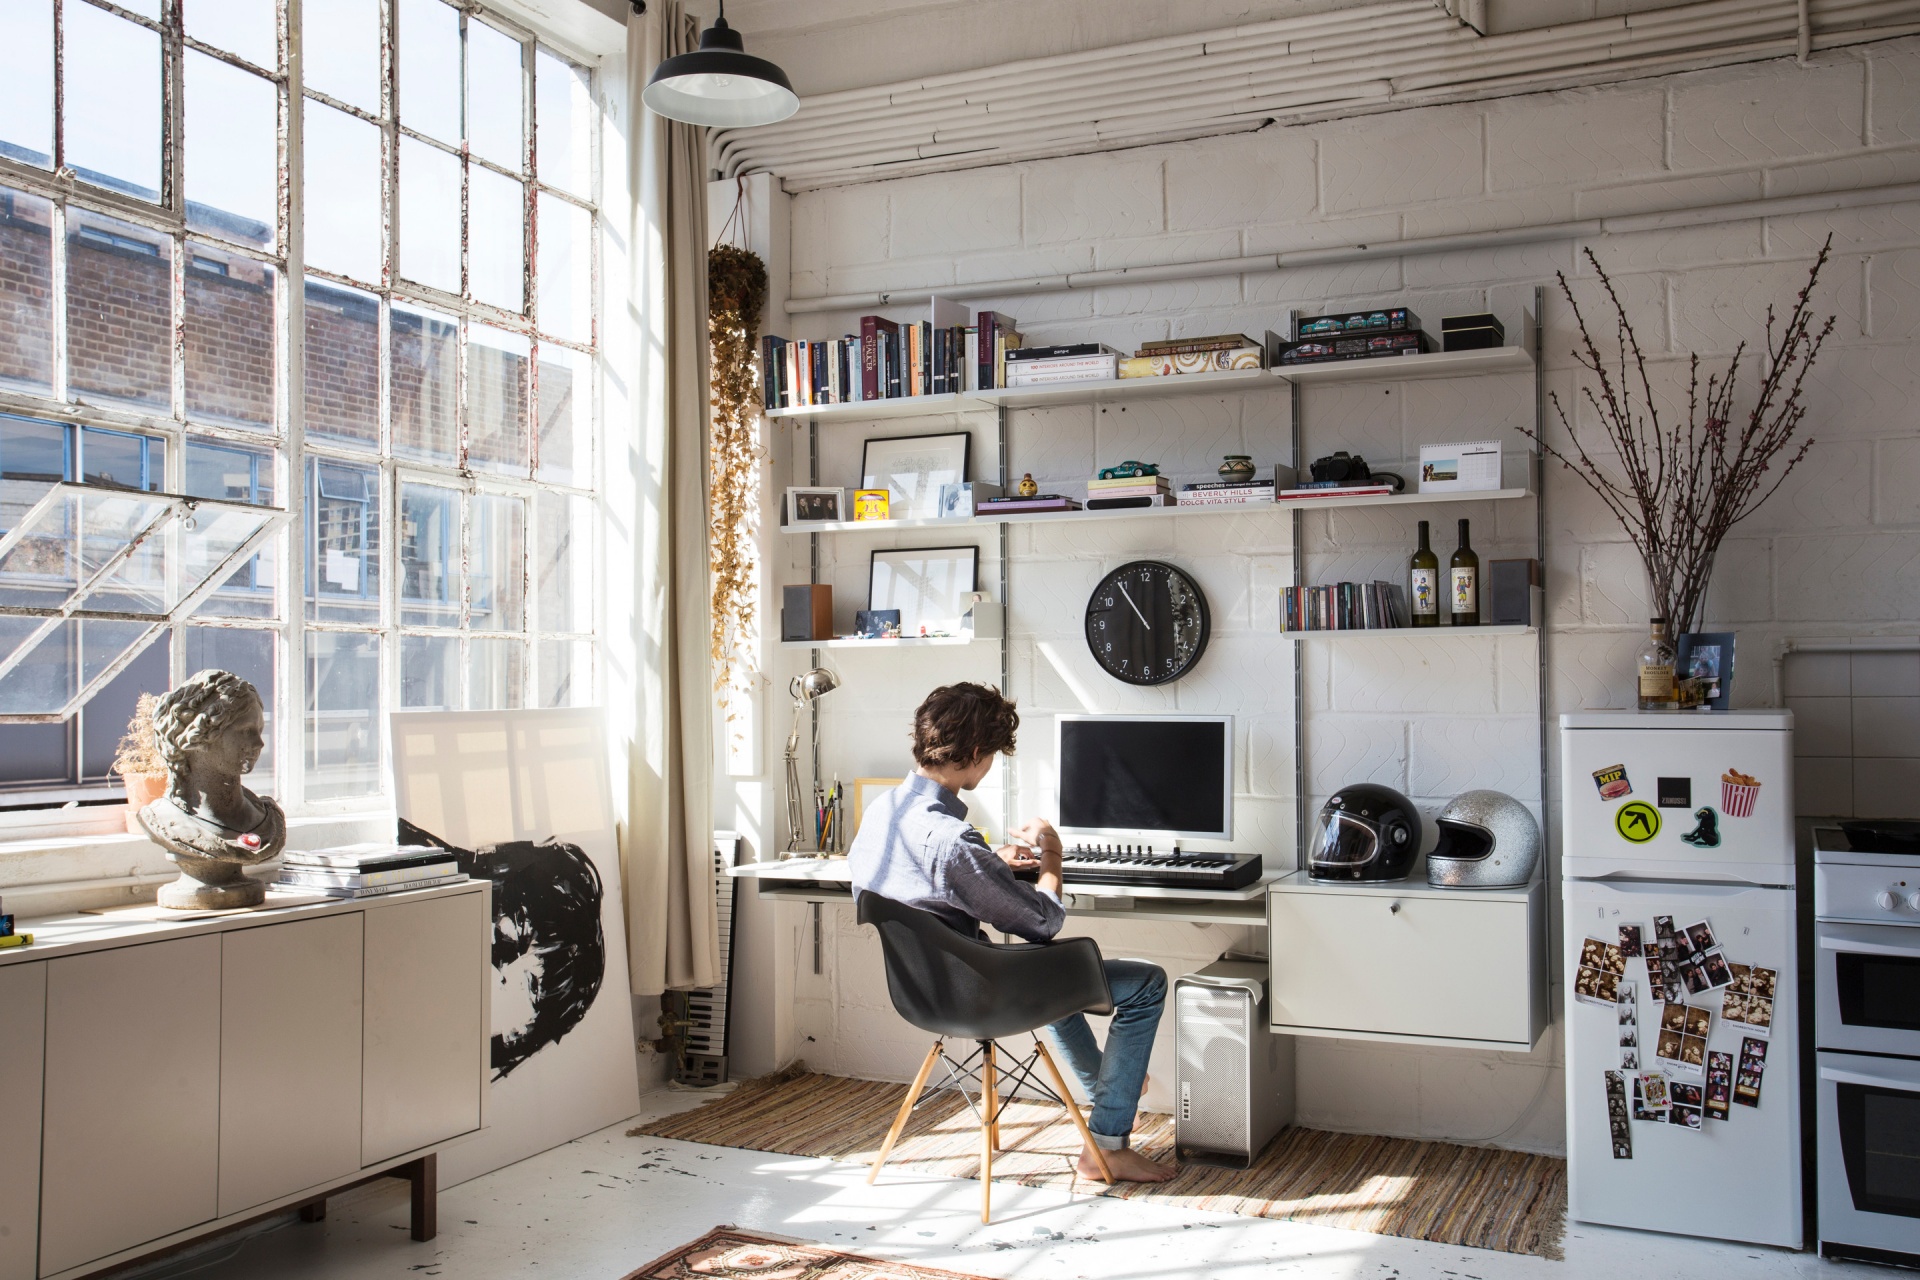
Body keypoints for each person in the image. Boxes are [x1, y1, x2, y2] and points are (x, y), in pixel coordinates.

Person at [848, 681, 1176, 1184]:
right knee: (1144, 982)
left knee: (1049, 973)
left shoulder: (882, 813)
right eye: (994, 756)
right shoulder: (952, 840)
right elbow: (1044, 921)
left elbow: (921, 887)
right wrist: (1051, 853)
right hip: (981, 998)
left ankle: (1115, 1095)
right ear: (977, 754)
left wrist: (988, 865)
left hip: (921, 995)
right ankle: (1107, 1144)